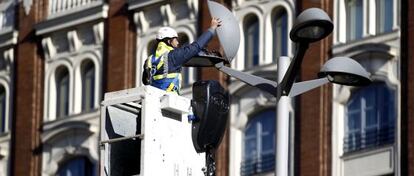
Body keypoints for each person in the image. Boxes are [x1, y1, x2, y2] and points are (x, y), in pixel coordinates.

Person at [142, 17, 222, 94]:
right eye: (175, 39)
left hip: (153, 99)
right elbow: (195, 47)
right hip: (169, 99)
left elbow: (145, 81)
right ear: (169, 41)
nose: (178, 42)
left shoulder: (149, 60)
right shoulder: (174, 56)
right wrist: (212, 28)